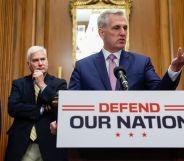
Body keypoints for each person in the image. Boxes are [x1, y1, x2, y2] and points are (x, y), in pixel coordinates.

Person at [50, 10, 184, 134]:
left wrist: (174, 69)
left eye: (125, 28)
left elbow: (160, 95)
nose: (123, 32)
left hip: (134, 139)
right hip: (94, 141)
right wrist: (62, 123)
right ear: (101, 32)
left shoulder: (142, 63)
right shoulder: (83, 66)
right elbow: (72, 104)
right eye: (116, 28)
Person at [5, 46, 68, 161]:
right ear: (28, 63)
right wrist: (41, 109)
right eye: (35, 60)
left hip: (49, 143)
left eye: (43, 59)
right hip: (23, 143)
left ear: (47, 61)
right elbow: (13, 108)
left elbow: (61, 107)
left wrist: (42, 84)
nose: (40, 63)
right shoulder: (19, 84)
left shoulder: (60, 84)